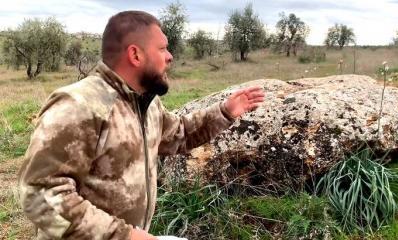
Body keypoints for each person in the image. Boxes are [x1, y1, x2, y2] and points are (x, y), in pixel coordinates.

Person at [18, 10, 264, 240]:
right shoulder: (81, 105)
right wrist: (125, 235)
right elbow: (40, 194)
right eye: (162, 48)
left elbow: (179, 134)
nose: (170, 57)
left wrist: (225, 112)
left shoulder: (146, 103)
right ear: (135, 55)